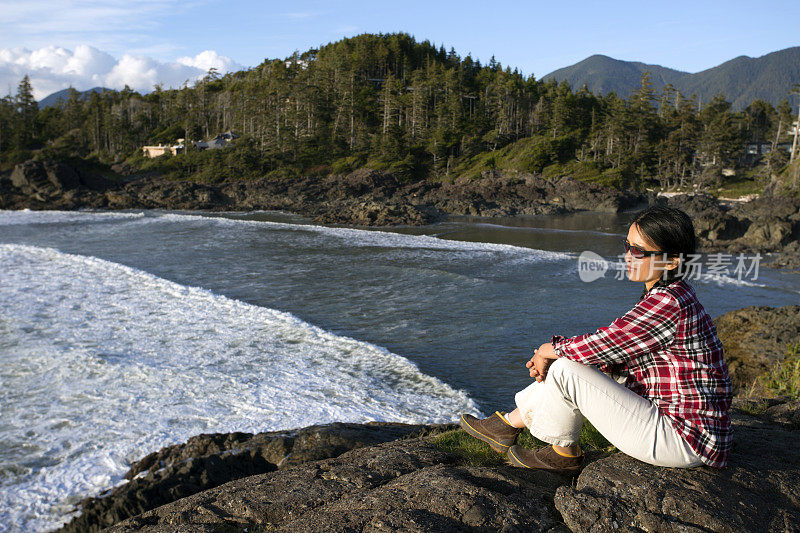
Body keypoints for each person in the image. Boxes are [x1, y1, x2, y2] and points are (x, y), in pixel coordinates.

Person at [460, 206, 732, 473]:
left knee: (567, 365)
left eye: (638, 251)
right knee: (570, 361)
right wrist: (555, 356)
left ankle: (562, 454)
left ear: (672, 261)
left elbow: (606, 344)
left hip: (683, 440)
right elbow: (613, 355)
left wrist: (549, 351)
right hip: (679, 428)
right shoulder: (670, 294)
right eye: (626, 245)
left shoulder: (668, 302)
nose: (628, 256)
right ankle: (507, 426)